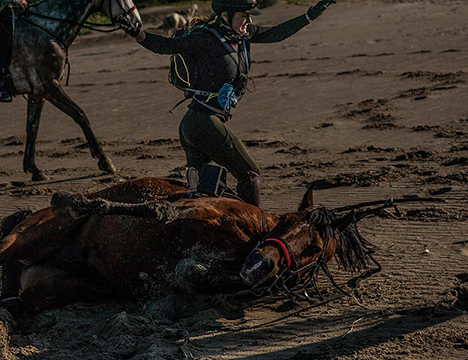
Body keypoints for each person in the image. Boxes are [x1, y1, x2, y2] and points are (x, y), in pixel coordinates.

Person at [116, 0, 336, 207]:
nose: (248, 21)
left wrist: (310, 15)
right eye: (244, 16)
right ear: (226, 15)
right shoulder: (204, 39)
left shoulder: (243, 35)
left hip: (198, 123)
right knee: (250, 174)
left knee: (211, 194)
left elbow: (276, 33)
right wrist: (138, 34)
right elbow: (168, 46)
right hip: (202, 123)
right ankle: (256, 230)